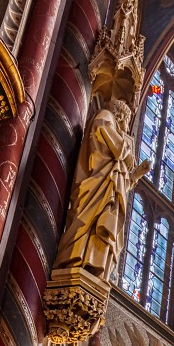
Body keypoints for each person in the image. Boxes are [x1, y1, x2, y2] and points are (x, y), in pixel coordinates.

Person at [54, 100, 149, 281]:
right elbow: (117, 151)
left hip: (104, 189)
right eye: (126, 120)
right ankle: (79, 258)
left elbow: (119, 180)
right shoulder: (105, 117)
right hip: (94, 186)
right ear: (120, 114)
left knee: (103, 223)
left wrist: (136, 175)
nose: (125, 125)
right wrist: (127, 150)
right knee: (90, 223)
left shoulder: (113, 133)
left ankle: (93, 264)